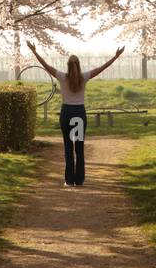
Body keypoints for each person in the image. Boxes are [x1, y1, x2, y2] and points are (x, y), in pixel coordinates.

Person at [27, 41, 124, 186]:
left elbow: (46, 66)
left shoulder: (61, 76)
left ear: (68, 65)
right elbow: (101, 68)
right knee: (79, 148)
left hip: (66, 113)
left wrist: (34, 51)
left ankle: (69, 180)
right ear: (78, 65)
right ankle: (79, 180)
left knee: (68, 147)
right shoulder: (84, 77)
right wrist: (115, 57)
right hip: (79, 113)